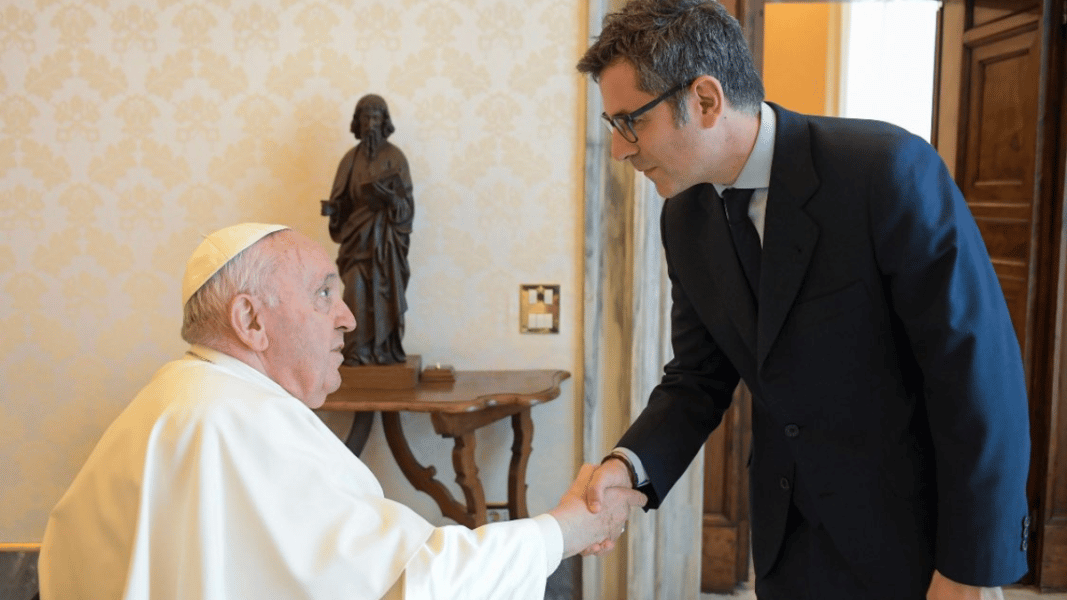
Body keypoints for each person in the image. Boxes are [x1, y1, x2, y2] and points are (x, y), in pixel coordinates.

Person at [576, 1, 1032, 599]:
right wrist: (627, 468)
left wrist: (971, 566)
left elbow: (977, 376)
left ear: (706, 100)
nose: (620, 149)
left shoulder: (886, 171)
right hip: (787, 543)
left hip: (919, 542)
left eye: (629, 122)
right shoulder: (683, 217)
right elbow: (696, 377)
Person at [38, 223, 646, 600]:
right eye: (324, 293)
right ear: (251, 321)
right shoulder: (241, 422)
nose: (349, 318)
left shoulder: (179, 396)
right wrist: (569, 528)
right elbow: (411, 583)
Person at [324, 94, 413, 366]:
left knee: (386, 296)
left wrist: (391, 201)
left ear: (384, 121)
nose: (370, 123)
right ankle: (356, 351)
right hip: (356, 244)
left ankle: (385, 349)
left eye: (376, 118)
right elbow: (340, 201)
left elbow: (407, 207)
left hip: (386, 246)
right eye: (365, 117)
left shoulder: (395, 157)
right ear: (358, 122)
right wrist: (333, 212)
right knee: (355, 294)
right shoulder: (349, 160)